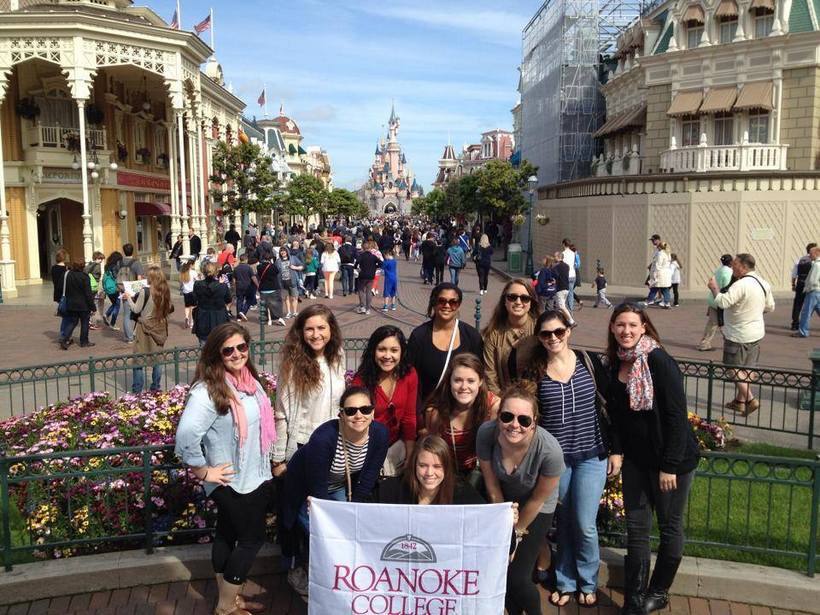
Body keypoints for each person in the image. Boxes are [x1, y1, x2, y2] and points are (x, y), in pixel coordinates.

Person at [604, 304, 700, 615]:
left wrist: (669, 466)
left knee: (669, 527)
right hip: (636, 461)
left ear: (644, 326)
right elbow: (616, 416)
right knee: (637, 527)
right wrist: (616, 449)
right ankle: (634, 598)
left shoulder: (658, 361)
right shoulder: (615, 363)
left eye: (632, 325)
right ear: (613, 327)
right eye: (620, 325)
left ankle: (658, 592)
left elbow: (675, 417)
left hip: (670, 462)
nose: (626, 331)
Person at [174, 322, 276, 615]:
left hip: (253, 475)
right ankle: (225, 608)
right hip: (232, 482)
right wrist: (203, 472)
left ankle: (227, 598)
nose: (236, 354)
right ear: (216, 354)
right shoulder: (208, 391)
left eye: (241, 347)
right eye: (228, 349)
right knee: (251, 540)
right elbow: (185, 436)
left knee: (226, 535)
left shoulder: (248, 380)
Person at [524, 309, 618, 606]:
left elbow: (611, 406)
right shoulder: (536, 371)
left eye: (559, 332)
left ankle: (587, 580)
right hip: (557, 460)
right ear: (539, 338)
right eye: (546, 334)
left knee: (584, 522)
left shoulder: (589, 362)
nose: (553, 338)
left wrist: (617, 449)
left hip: (592, 454)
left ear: (569, 331)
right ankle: (564, 580)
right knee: (563, 521)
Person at [281, 384, 389, 599]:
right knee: (319, 534)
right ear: (341, 414)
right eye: (350, 411)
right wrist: (331, 518)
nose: (358, 415)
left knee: (344, 533)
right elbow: (317, 484)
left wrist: (353, 508)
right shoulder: (324, 439)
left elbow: (368, 475)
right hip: (306, 488)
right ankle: (305, 575)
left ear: (373, 411)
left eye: (365, 409)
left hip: (338, 485)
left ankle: (336, 577)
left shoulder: (379, 434)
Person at [477, 382, 564, 615]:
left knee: (518, 576)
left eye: (524, 420)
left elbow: (537, 499)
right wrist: (504, 526)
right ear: (498, 417)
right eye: (507, 416)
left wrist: (515, 535)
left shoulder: (549, 451)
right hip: (502, 500)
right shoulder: (486, 434)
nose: (514, 425)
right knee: (499, 569)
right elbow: (491, 484)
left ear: (534, 421)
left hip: (536, 507)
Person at [273, 304, 347, 465]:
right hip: (305, 443)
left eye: (321, 328)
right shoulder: (293, 364)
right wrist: (278, 458)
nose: (316, 335)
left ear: (331, 329)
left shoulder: (337, 356)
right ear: (301, 332)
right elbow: (281, 412)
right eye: (309, 329)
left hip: (335, 441)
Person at [708, 254, 775, 415]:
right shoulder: (763, 283)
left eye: (736, 264)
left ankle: (750, 399)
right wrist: (752, 311)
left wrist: (714, 288)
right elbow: (770, 307)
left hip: (738, 334)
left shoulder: (741, 284)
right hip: (756, 332)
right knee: (747, 367)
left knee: (732, 366)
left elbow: (723, 302)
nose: (732, 267)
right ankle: (740, 401)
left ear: (744, 267)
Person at [351, 325, 418, 474]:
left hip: (395, 450)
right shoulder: (361, 381)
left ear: (402, 352)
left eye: (394, 350)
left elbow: (409, 417)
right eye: (382, 349)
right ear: (373, 351)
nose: (388, 356)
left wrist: (410, 453)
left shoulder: (409, 375)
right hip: (367, 452)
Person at [423, 353, 500, 480]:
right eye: (458, 380)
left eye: (471, 381)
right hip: (448, 471)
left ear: (480, 381)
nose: (464, 387)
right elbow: (434, 453)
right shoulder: (435, 413)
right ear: (450, 381)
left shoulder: (493, 407)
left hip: (483, 470)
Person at [407, 283, 484, 408]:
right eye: (441, 301)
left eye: (453, 302)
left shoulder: (472, 336)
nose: (447, 306)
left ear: (458, 305)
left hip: (463, 411)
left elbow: (480, 374)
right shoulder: (419, 336)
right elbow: (410, 379)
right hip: (428, 410)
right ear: (434, 303)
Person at [377, 434, 487, 504]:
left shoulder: (462, 492)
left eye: (437, 466)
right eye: (423, 465)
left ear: (446, 468)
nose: (429, 473)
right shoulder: (393, 489)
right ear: (414, 464)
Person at [482, 279, 540, 395]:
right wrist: (503, 402)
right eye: (512, 297)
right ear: (505, 301)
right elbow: (490, 374)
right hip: (503, 400)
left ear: (531, 302)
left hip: (537, 398)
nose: (518, 302)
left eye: (524, 298)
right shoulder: (493, 334)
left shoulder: (540, 330)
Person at [124, 266, 173, 393]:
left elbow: (136, 309)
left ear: (151, 278)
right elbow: (170, 308)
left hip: (144, 328)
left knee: (139, 359)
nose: (145, 277)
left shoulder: (145, 291)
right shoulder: (165, 290)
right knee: (157, 358)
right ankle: (155, 386)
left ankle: (137, 389)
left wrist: (128, 297)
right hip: (159, 326)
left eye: (147, 276)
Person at [697, 254, 733, 352]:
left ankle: (704, 343)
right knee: (725, 324)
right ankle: (729, 344)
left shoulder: (719, 270)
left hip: (713, 300)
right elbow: (727, 287)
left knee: (712, 323)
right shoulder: (729, 273)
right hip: (721, 301)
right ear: (731, 262)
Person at [58, 259, 96, 350]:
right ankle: (84, 341)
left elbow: (60, 287)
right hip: (83, 305)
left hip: (71, 303)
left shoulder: (67, 275)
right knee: (85, 322)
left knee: (72, 322)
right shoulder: (85, 277)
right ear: (83, 267)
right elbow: (88, 293)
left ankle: (64, 339)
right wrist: (93, 307)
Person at [192, 261, 232, 346]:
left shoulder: (198, 285)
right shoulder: (222, 286)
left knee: (204, 349)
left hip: (203, 318)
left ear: (203, 272)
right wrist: (221, 285)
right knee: (220, 348)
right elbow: (228, 299)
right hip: (219, 319)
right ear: (216, 272)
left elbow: (194, 300)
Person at [117, 243, 145, 344]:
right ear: (133, 250)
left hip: (123, 289)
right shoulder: (136, 263)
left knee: (126, 314)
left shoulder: (119, 262)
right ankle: (131, 336)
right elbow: (139, 278)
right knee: (138, 313)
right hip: (134, 290)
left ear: (124, 251)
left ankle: (127, 335)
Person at [794, 245, 820, 338]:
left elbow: (813, 279)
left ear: (816, 254)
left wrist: (807, 288)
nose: (809, 255)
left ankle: (803, 332)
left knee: (806, 312)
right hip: (818, 291)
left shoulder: (817, 265)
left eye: (811, 254)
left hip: (813, 291)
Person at [256, 252, 286, 327]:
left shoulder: (259, 267)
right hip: (273, 288)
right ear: (270, 259)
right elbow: (277, 273)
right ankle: (279, 318)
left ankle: (269, 320)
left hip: (263, 288)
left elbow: (259, 275)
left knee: (266, 305)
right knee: (277, 304)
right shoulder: (273, 266)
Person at [355, 240, 381, 315]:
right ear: (369, 248)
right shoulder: (373, 256)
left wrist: (358, 269)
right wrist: (375, 267)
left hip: (362, 275)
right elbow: (381, 263)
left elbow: (356, 264)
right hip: (371, 276)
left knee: (361, 290)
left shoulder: (361, 256)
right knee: (369, 291)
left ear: (363, 248)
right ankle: (368, 309)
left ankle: (362, 307)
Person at [553, 251, 576, 327]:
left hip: (560, 288)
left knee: (561, 306)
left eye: (555, 256)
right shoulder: (566, 266)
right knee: (559, 306)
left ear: (559, 257)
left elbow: (555, 276)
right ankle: (560, 321)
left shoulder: (556, 267)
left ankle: (571, 321)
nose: (554, 258)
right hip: (566, 287)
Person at [102, 251, 123, 329]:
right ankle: (112, 324)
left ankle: (106, 314)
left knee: (114, 303)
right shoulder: (115, 267)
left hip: (108, 288)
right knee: (117, 305)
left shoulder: (106, 266)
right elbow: (115, 277)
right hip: (114, 289)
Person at [84, 251, 105, 329]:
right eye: (100, 259)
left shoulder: (89, 264)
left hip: (89, 286)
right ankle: (91, 322)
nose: (101, 261)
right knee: (94, 304)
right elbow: (98, 277)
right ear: (97, 258)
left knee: (89, 303)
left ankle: (88, 321)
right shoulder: (97, 266)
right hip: (94, 287)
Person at [276, 246, 299, 319]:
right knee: (286, 298)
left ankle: (294, 312)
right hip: (283, 282)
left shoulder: (293, 258)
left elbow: (302, 266)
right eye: (281, 251)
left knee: (294, 297)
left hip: (292, 281)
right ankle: (289, 312)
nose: (282, 252)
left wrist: (295, 267)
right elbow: (276, 271)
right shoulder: (278, 261)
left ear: (287, 252)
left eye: (284, 251)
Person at [233, 253, 255, 322]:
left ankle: (239, 317)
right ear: (246, 260)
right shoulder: (248, 268)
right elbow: (253, 277)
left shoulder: (236, 268)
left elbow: (234, 279)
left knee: (239, 300)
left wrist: (234, 286)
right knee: (249, 299)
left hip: (239, 286)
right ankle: (243, 311)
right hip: (247, 286)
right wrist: (257, 284)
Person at [51, 248, 68, 315]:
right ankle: (60, 310)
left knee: (61, 302)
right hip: (64, 290)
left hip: (56, 289)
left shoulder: (53, 268)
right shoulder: (65, 268)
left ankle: (60, 309)